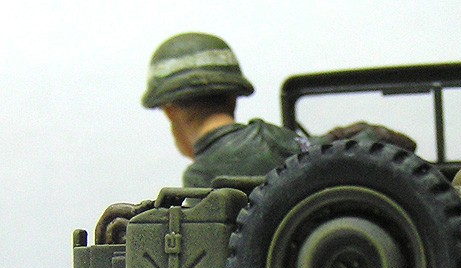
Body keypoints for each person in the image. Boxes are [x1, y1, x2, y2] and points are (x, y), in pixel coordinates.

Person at [142, 32, 416, 187]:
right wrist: (341, 137)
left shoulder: (200, 178)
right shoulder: (273, 140)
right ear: (233, 97)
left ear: (170, 111)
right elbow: (373, 144)